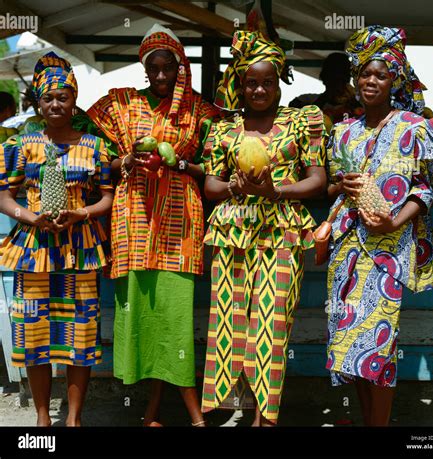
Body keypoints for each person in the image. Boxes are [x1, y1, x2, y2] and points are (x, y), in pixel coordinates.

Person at [86, 24, 219, 427]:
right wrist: (123, 161)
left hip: (180, 224)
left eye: (169, 68)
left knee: (175, 318)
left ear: (182, 67)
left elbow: (215, 167)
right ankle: (151, 411)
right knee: (142, 315)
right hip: (133, 221)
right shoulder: (120, 105)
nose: (161, 76)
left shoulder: (201, 111)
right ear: (144, 68)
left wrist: (179, 163)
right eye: (154, 68)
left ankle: (190, 414)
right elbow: (94, 154)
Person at [201, 30, 327, 426]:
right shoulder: (223, 127)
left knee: (272, 329)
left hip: (282, 232)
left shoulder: (303, 121)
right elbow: (210, 185)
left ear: (280, 81)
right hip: (231, 234)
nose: (259, 89)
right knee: (231, 323)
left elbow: (318, 180)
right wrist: (232, 186)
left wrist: (277, 191)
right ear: (240, 84)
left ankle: (265, 419)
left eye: (267, 82)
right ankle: (239, 406)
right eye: (251, 82)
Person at [324, 26, 433, 426]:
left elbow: (424, 192)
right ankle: (365, 418)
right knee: (347, 343)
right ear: (355, 79)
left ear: (395, 80)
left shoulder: (413, 128)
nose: (371, 82)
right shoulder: (344, 132)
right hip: (347, 250)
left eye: (381, 75)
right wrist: (343, 184)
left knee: (379, 346)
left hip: (388, 252)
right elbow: (334, 187)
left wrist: (394, 219)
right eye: (365, 74)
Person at [0, 52, 114, 426]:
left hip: (79, 251)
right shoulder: (19, 145)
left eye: (62, 97)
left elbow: (107, 197)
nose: (54, 104)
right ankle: (42, 418)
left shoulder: (95, 147)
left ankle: (74, 419)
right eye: (47, 98)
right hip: (32, 253)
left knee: (80, 337)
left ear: (73, 100)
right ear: (37, 101)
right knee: (34, 338)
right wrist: (32, 218)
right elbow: (3, 196)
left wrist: (80, 214)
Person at [289, 52, 363, 123]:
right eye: (333, 80)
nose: (337, 86)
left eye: (340, 80)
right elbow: (292, 112)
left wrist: (353, 103)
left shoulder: (356, 104)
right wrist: (326, 97)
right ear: (325, 79)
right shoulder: (306, 100)